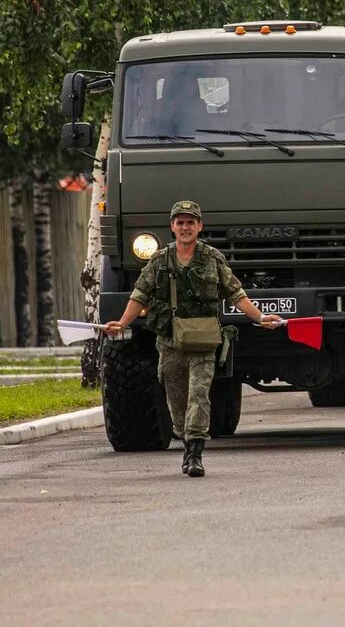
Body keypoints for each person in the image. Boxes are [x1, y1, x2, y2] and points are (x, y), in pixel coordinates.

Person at [104, 200, 280, 477]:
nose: (185, 227)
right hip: (170, 341)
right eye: (180, 222)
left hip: (203, 339)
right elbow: (139, 295)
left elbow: (236, 293)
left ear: (200, 226)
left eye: (190, 222)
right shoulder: (160, 260)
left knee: (199, 395)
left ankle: (195, 453)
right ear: (172, 227)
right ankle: (186, 438)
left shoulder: (213, 258)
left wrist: (259, 318)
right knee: (177, 400)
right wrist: (122, 323)